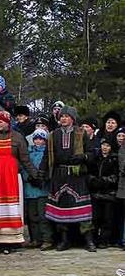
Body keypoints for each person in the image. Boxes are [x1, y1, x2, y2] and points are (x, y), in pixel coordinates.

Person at [0, 109, 38, 254]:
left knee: (11, 207)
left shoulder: (17, 138)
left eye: (1, 121)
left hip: (11, 178)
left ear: (7, 122)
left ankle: (12, 241)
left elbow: (25, 159)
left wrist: (35, 175)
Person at [45, 106, 95, 252]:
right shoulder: (53, 135)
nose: (63, 119)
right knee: (61, 208)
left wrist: (83, 157)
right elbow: (47, 156)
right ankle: (64, 240)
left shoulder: (81, 133)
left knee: (82, 209)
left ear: (73, 118)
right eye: (61, 116)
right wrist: (42, 172)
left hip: (77, 175)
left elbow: (92, 153)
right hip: (59, 175)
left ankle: (89, 240)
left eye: (67, 116)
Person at [22, 128, 51, 249]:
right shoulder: (28, 153)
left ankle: (47, 239)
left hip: (42, 190)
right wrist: (28, 178)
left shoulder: (47, 153)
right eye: (36, 139)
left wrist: (42, 179)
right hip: (29, 189)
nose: (38, 141)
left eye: (41, 139)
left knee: (43, 215)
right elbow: (23, 167)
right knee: (32, 216)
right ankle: (35, 238)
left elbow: (48, 169)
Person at [89, 138, 120, 247]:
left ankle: (104, 240)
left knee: (108, 219)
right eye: (103, 145)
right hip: (96, 193)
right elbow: (89, 173)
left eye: (107, 145)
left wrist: (103, 181)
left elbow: (116, 176)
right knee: (95, 218)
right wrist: (93, 180)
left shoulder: (114, 159)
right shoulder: (95, 158)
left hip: (109, 194)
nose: (105, 147)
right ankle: (94, 239)